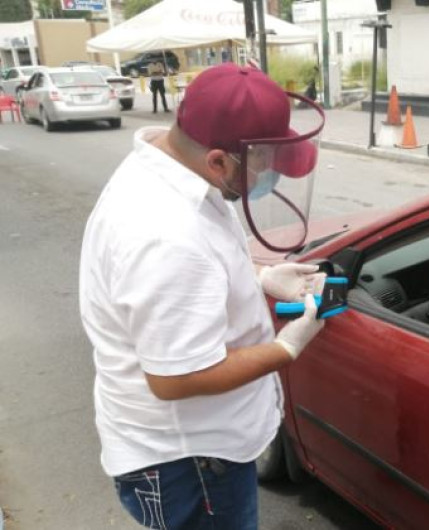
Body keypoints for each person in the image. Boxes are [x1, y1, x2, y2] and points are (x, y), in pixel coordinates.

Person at [79, 63, 326, 529]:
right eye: (264, 162)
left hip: (192, 452)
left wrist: (261, 277)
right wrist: (286, 346)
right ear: (218, 160)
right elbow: (178, 378)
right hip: (188, 464)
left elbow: (201, 268)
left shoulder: (172, 165)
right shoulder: (166, 234)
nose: (270, 173)